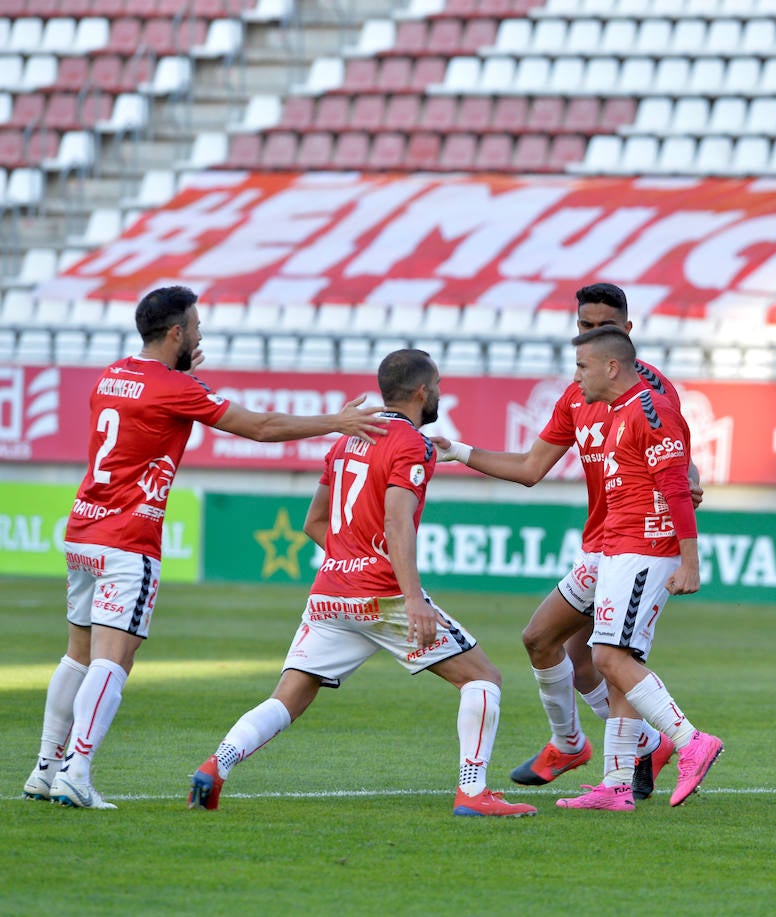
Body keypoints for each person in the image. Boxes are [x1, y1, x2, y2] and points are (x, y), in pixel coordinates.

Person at [23, 285, 387, 810]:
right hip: (129, 537)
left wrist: (185, 378)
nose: (200, 333)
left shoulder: (111, 376)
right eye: (195, 327)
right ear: (176, 333)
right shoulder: (174, 388)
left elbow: (148, 417)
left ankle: (44, 769)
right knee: (113, 658)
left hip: (84, 529)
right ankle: (77, 771)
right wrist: (337, 421)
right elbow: (259, 426)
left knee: (77, 653)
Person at [187, 349, 536, 817]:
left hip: (331, 593)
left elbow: (314, 522)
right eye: (437, 386)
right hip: (382, 594)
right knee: (483, 678)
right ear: (420, 391)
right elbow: (397, 522)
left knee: (287, 697)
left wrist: (347, 564)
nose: (439, 393)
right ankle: (472, 792)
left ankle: (216, 765)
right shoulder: (413, 443)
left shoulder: (349, 439)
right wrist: (412, 598)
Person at [437, 282, 700, 802]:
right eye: (583, 326)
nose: (589, 334)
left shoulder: (654, 393)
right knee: (546, 640)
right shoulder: (578, 394)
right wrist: (459, 450)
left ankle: (635, 758)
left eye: (602, 327)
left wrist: (688, 487)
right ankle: (597, 744)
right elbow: (532, 467)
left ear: (626, 332)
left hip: (636, 545)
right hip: (598, 545)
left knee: (609, 655)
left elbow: (676, 460)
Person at [553, 326, 722, 812]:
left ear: (611, 367)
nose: (576, 376)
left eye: (582, 366)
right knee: (620, 662)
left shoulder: (651, 409)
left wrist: (690, 561)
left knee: (607, 658)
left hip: (645, 545)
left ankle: (691, 741)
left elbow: (677, 487)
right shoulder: (619, 412)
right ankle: (618, 784)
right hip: (620, 546)